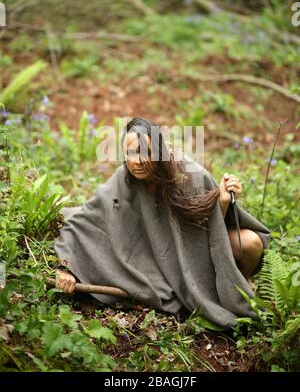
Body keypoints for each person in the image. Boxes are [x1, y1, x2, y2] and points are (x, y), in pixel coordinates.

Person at [55, 117, 270, 327]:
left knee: (251, 243)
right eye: (131, 153)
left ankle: (238, 284)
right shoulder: (123, 179)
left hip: (198, 252)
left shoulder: (188, 174)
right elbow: (82, 222)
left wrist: (221, 203)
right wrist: (66, 267)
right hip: (162, 259)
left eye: (146, 152)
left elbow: (211, 230)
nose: (137, 161)